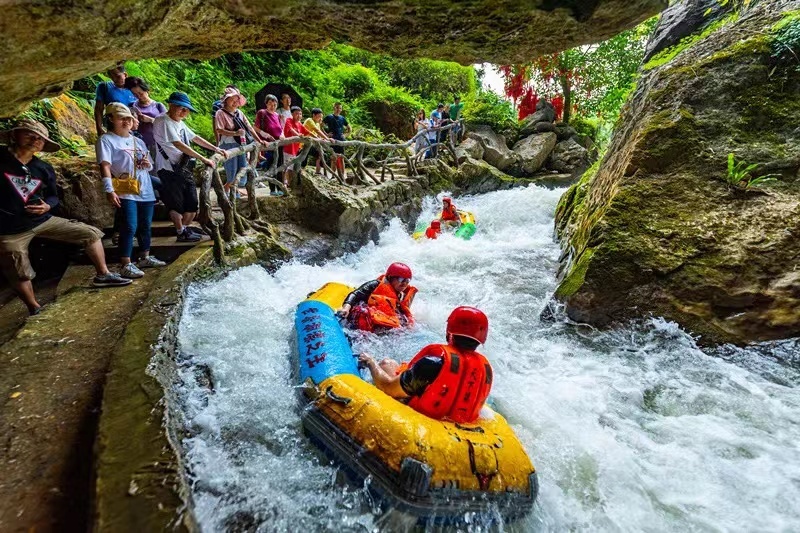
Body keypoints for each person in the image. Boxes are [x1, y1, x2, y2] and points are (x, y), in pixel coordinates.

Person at [0, 119, 131, 315]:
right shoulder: (1, 159)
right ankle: (34, 307)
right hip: (10, 228)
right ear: (14, 135)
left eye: (40, 138)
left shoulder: (42, 167)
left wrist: (47, 206)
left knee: (90, 233)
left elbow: (53, 196)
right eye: (29, 134)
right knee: (17, 264)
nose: (35, 140)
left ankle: (103, 274)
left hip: (43, 220)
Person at [358, 306, 492, 424]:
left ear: (449, 332)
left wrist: (370, 362)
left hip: (421, 421)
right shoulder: (486, 370)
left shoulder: (431, 364)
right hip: (458, 427)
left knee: (386, 363)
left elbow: (387, 387)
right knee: (394, 365)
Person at [98, 103, 166, 279]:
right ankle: (125, 263)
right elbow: (105, 166)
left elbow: (149, 163)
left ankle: (144, 256)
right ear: (111, 119)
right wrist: (109, 189)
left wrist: (146, 164)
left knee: (145, 225)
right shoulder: (106, 140)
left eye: (128, 118)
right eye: (122, 118)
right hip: (125, 188)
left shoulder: (138, 141)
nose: (126, 121)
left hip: (144, 186)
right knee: (129, 226)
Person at [153, 92, 227, 242]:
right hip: (169, 169)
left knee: (192, 205)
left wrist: (215, 149)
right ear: (171, 105)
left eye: (186, 110)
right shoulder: (163, 120)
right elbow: (178, 143)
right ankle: (181, 232)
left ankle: (184, 230)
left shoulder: (179, 122)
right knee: (176, 204)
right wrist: (203, 158)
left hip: (184, 167)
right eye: (182, 109)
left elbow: (195, 138)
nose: (185, 112)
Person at [337, 262, 417, 332]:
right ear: (390, 277)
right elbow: (355, 294)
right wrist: (346, 308)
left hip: (381, 323)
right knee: (363, 312)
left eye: (407, 280)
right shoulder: (375, 285)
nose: (404, 283)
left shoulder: (400, 295)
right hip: (364, 322)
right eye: (401, 279)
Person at [214, 87, 258, 198]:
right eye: (232, 99)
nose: (235, 102)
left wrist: (259, 140)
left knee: (242, 170)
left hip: (241, 144)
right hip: (227, 144)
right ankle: (230, 192)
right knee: (232, 171)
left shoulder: (240, 113)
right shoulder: (220, 113)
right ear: (226, 100)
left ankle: (230, 190)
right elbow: (219, 129)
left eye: (237, 100)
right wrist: (235, 133)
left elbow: (249, 127)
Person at [125, 77, 166, 159]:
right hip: (135, 143)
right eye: (135, 94)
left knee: (154, 169)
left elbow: (167, 125)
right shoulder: (131, 106)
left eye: (141, 93)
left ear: (147, 90)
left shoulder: (158, 106)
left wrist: (150, 120)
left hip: (155, 144)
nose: (139, 96)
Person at [254, 94, 285, 196]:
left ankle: (280, 187)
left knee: (280, 165)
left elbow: (280, 129)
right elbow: (256, 128)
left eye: (275, 104)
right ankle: (272, 189)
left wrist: (282, 135)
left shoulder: (277, 115)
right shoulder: (262, 113)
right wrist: (266, 135)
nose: (273, 106)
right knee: (271, 165)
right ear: (266, 104)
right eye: (270, 104)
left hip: (279, 144)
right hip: (268, 144)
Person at [94, 63, 137, 136]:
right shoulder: (104, 87)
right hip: (114, 128)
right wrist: (99, 128)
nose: (114, 80)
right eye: (111, 77)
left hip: (134, 128)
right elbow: (98, 109)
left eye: (118, 76)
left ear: (125, 75)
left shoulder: (135, 89)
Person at [282, 106, 309, 190]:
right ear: (292, 114)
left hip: (295, 149)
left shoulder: (300, 124)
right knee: (286, 166)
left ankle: (289, 184)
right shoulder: (289, 120)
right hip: (288, 148)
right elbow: (290, 130)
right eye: (296, 113)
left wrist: (320, 138)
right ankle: (285, 184)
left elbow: (308, 133)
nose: (299, 115)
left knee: (291, 168)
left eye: (300, 114)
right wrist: (298, 135)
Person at [323, 103, 351, 182]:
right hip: (332, 140)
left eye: (340, 108)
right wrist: (326, 134)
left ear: (341, 109)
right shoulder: (329, 117)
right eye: (337, 108)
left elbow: (349, 128)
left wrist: (346, 135)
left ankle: (342, 175)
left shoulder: (342, 118)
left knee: (341, 158)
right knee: (333, 158)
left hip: (341, 141)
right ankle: (333, 175)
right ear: (334, 108)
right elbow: (321, 125)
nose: (338, 109)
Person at [303, 108, 330, 177]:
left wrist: (324, 139)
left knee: (321, 154)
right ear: (313, 115)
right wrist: (327, 138)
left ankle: (318, 172)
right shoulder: (309, 120)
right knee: (303, 161)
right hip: (303, 145)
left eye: (321, 117)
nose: (320, 118)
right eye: (319, 116)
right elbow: (317, 131)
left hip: (311, 144)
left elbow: (318, 135)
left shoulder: (317, 123)